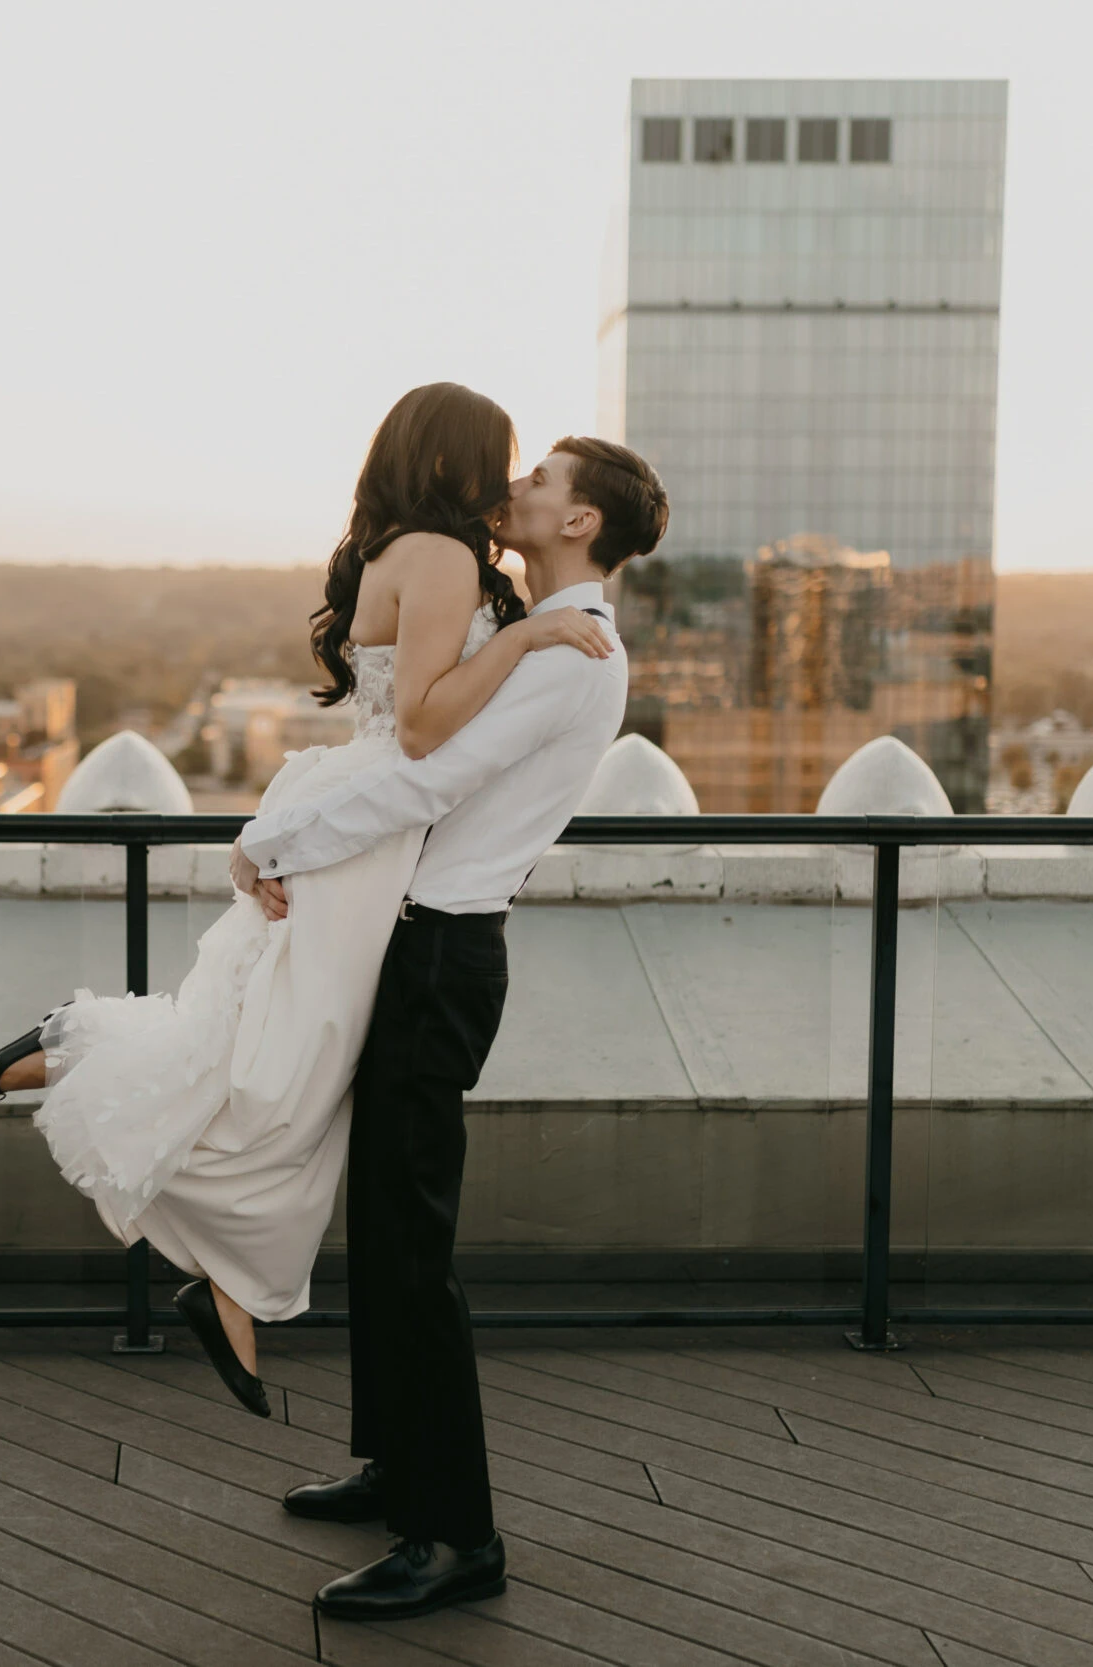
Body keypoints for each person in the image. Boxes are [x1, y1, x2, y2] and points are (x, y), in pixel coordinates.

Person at [0, 382, 614, 1416]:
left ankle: (220, 1265)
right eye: (501, 459)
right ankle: (143, 1148)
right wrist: (522, 641)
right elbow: (428, 732)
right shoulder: (441, 558)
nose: (508, 480)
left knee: (287, 1052)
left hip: (365, 821)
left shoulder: (406, 547)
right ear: (453, 460)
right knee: (291, 1066)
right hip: (370, 831)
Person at [244, 432, 667, 1622]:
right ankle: (394, 1468)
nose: (516, 486)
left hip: (440, 955)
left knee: (411, 1246)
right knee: (383, 1223)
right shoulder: (547, 634)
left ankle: (455, 1534)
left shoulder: (573, 650)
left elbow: (429, 781)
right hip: (421, 940)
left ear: (581, 525)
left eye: (542, 482)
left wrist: (271, 845)